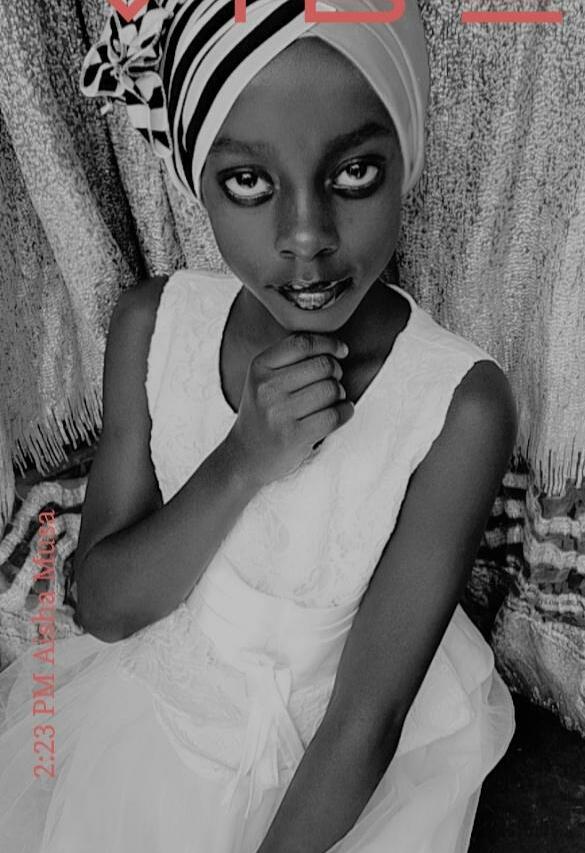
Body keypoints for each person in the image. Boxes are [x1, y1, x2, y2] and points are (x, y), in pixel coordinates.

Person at [0, 0, 518, 850]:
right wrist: (243, 458)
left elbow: (367, 716)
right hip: (148, 739)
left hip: (324, 794)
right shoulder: (154, 325)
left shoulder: (459, 403)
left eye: (355, 173)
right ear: (196, 179)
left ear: (408, 156)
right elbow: (104, 606)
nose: (306, 237)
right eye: (249, 181)